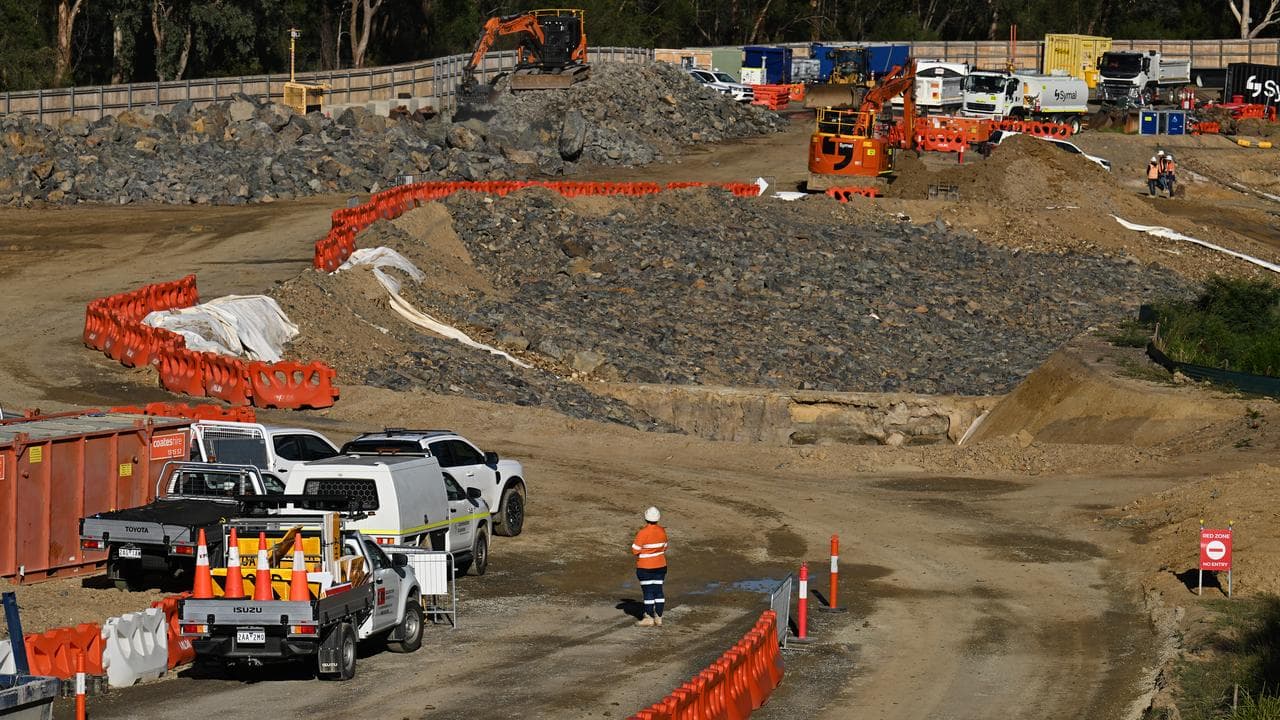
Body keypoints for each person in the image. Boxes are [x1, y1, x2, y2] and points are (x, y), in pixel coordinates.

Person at [631, 506, 668, 627]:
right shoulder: (662, 531)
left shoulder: (643, 532)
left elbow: (635, 551)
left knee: (648, 592)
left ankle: (649, 617)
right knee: (658, 591)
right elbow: (665, 547)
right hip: (661, 565)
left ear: (646, 518)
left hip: (645, 567)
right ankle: (659, 617)